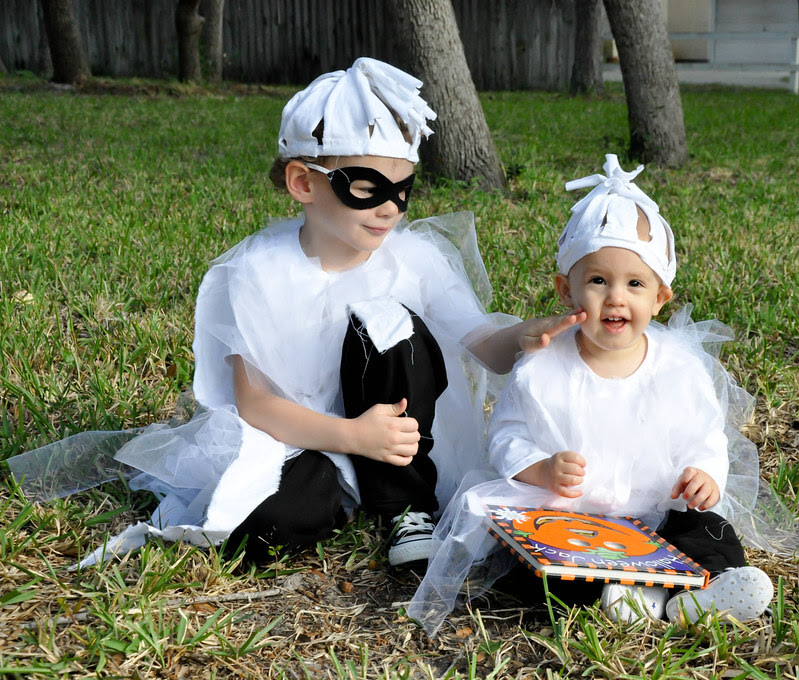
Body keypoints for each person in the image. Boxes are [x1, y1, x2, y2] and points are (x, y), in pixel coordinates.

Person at [7, 58, 577, 569]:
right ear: (303, 182)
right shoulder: (257, 271)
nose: (388, 209)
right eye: (366, 188)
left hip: (403, 434)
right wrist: (352, 436)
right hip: (304, 432)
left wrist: (525, 336)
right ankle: (343, 484)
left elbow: (482, 342)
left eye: (402, 191)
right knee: (260, 532)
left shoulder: (416, 260)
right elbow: (255, 404)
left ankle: (403, 503)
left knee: (387, 318)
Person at [407, 154, 799, 636]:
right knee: (527, 565)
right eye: (598, 281)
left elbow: (705, 434)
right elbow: (507, 432)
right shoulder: (542, 366)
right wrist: (540, 467)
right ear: (567, 289)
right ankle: (619, 593)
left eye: (635, 284)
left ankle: (709, 590)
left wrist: (705, 472)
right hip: (570, 516)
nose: (616, 297)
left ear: (660, 298)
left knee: (711, 531)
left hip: (658, 508)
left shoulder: (678, 368)